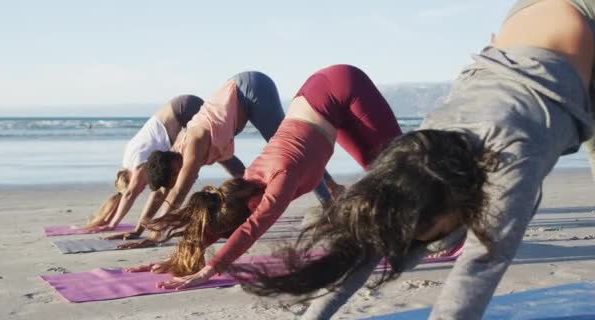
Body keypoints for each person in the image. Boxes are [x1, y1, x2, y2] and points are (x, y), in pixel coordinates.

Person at [233, 1, 595, 319]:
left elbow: (476, 274)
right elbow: (367, 246)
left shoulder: (512, 156)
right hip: (527, 29)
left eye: (427, 235)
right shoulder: (419, 151)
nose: (420, 248)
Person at [125, 64, 403, 287]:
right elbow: (216, 220)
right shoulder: (244, 182)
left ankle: (442, 224)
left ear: (248, 206)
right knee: (378, 166)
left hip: (339, 85)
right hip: (314, 101)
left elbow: (252, 228)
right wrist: (177, 259)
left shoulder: (279, 180)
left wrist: (210, 270)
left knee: (401, 166)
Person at [116, 71, 343, 247]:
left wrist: (157, 234)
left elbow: (178, 192)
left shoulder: (193, 143)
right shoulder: (177, 152)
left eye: (176, 176)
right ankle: (330, 189)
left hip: (252, 89)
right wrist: (140, 228)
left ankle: (329, 202)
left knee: (293, 148)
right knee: (240, 177)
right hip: (237, 101)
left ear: (174, 166)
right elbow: (163, 193)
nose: (180, 178)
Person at [82, 94, 206, 237]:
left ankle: (159, 230)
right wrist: (109, 219)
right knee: (172, 181)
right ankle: (159, 228)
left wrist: (112, 225)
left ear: (129, 179)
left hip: (184, 109)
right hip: (180, 106)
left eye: (140, 188)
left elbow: (129, 195)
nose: (143, 187)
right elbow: (127, 195)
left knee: (177, 181)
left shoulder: (139, 166)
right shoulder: (128, 160)